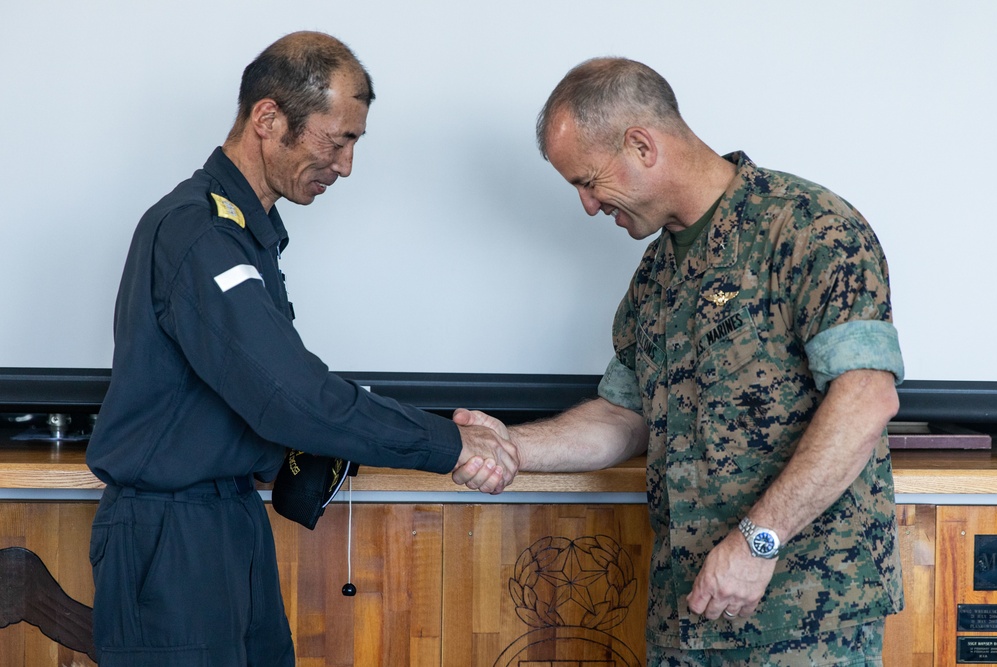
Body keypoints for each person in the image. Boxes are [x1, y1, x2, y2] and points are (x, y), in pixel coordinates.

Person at [454, 57, 904, 666]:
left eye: (587, 181)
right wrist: (507, 444)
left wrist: (758, 541)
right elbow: (622, 417)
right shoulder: (657, 274)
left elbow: (866, 398)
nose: (587, 206)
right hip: (687, 613)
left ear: (642, 145)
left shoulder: (807, 228)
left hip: (804, 616)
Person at [86, 31, 515, 667]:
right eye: (335, 139)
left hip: (229, 518)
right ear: (268, 118)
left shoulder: (247, 237)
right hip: (173, 536)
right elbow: (289, 397)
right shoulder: (199, 234)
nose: (344, 166)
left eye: (353, 144)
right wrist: (449, 443)